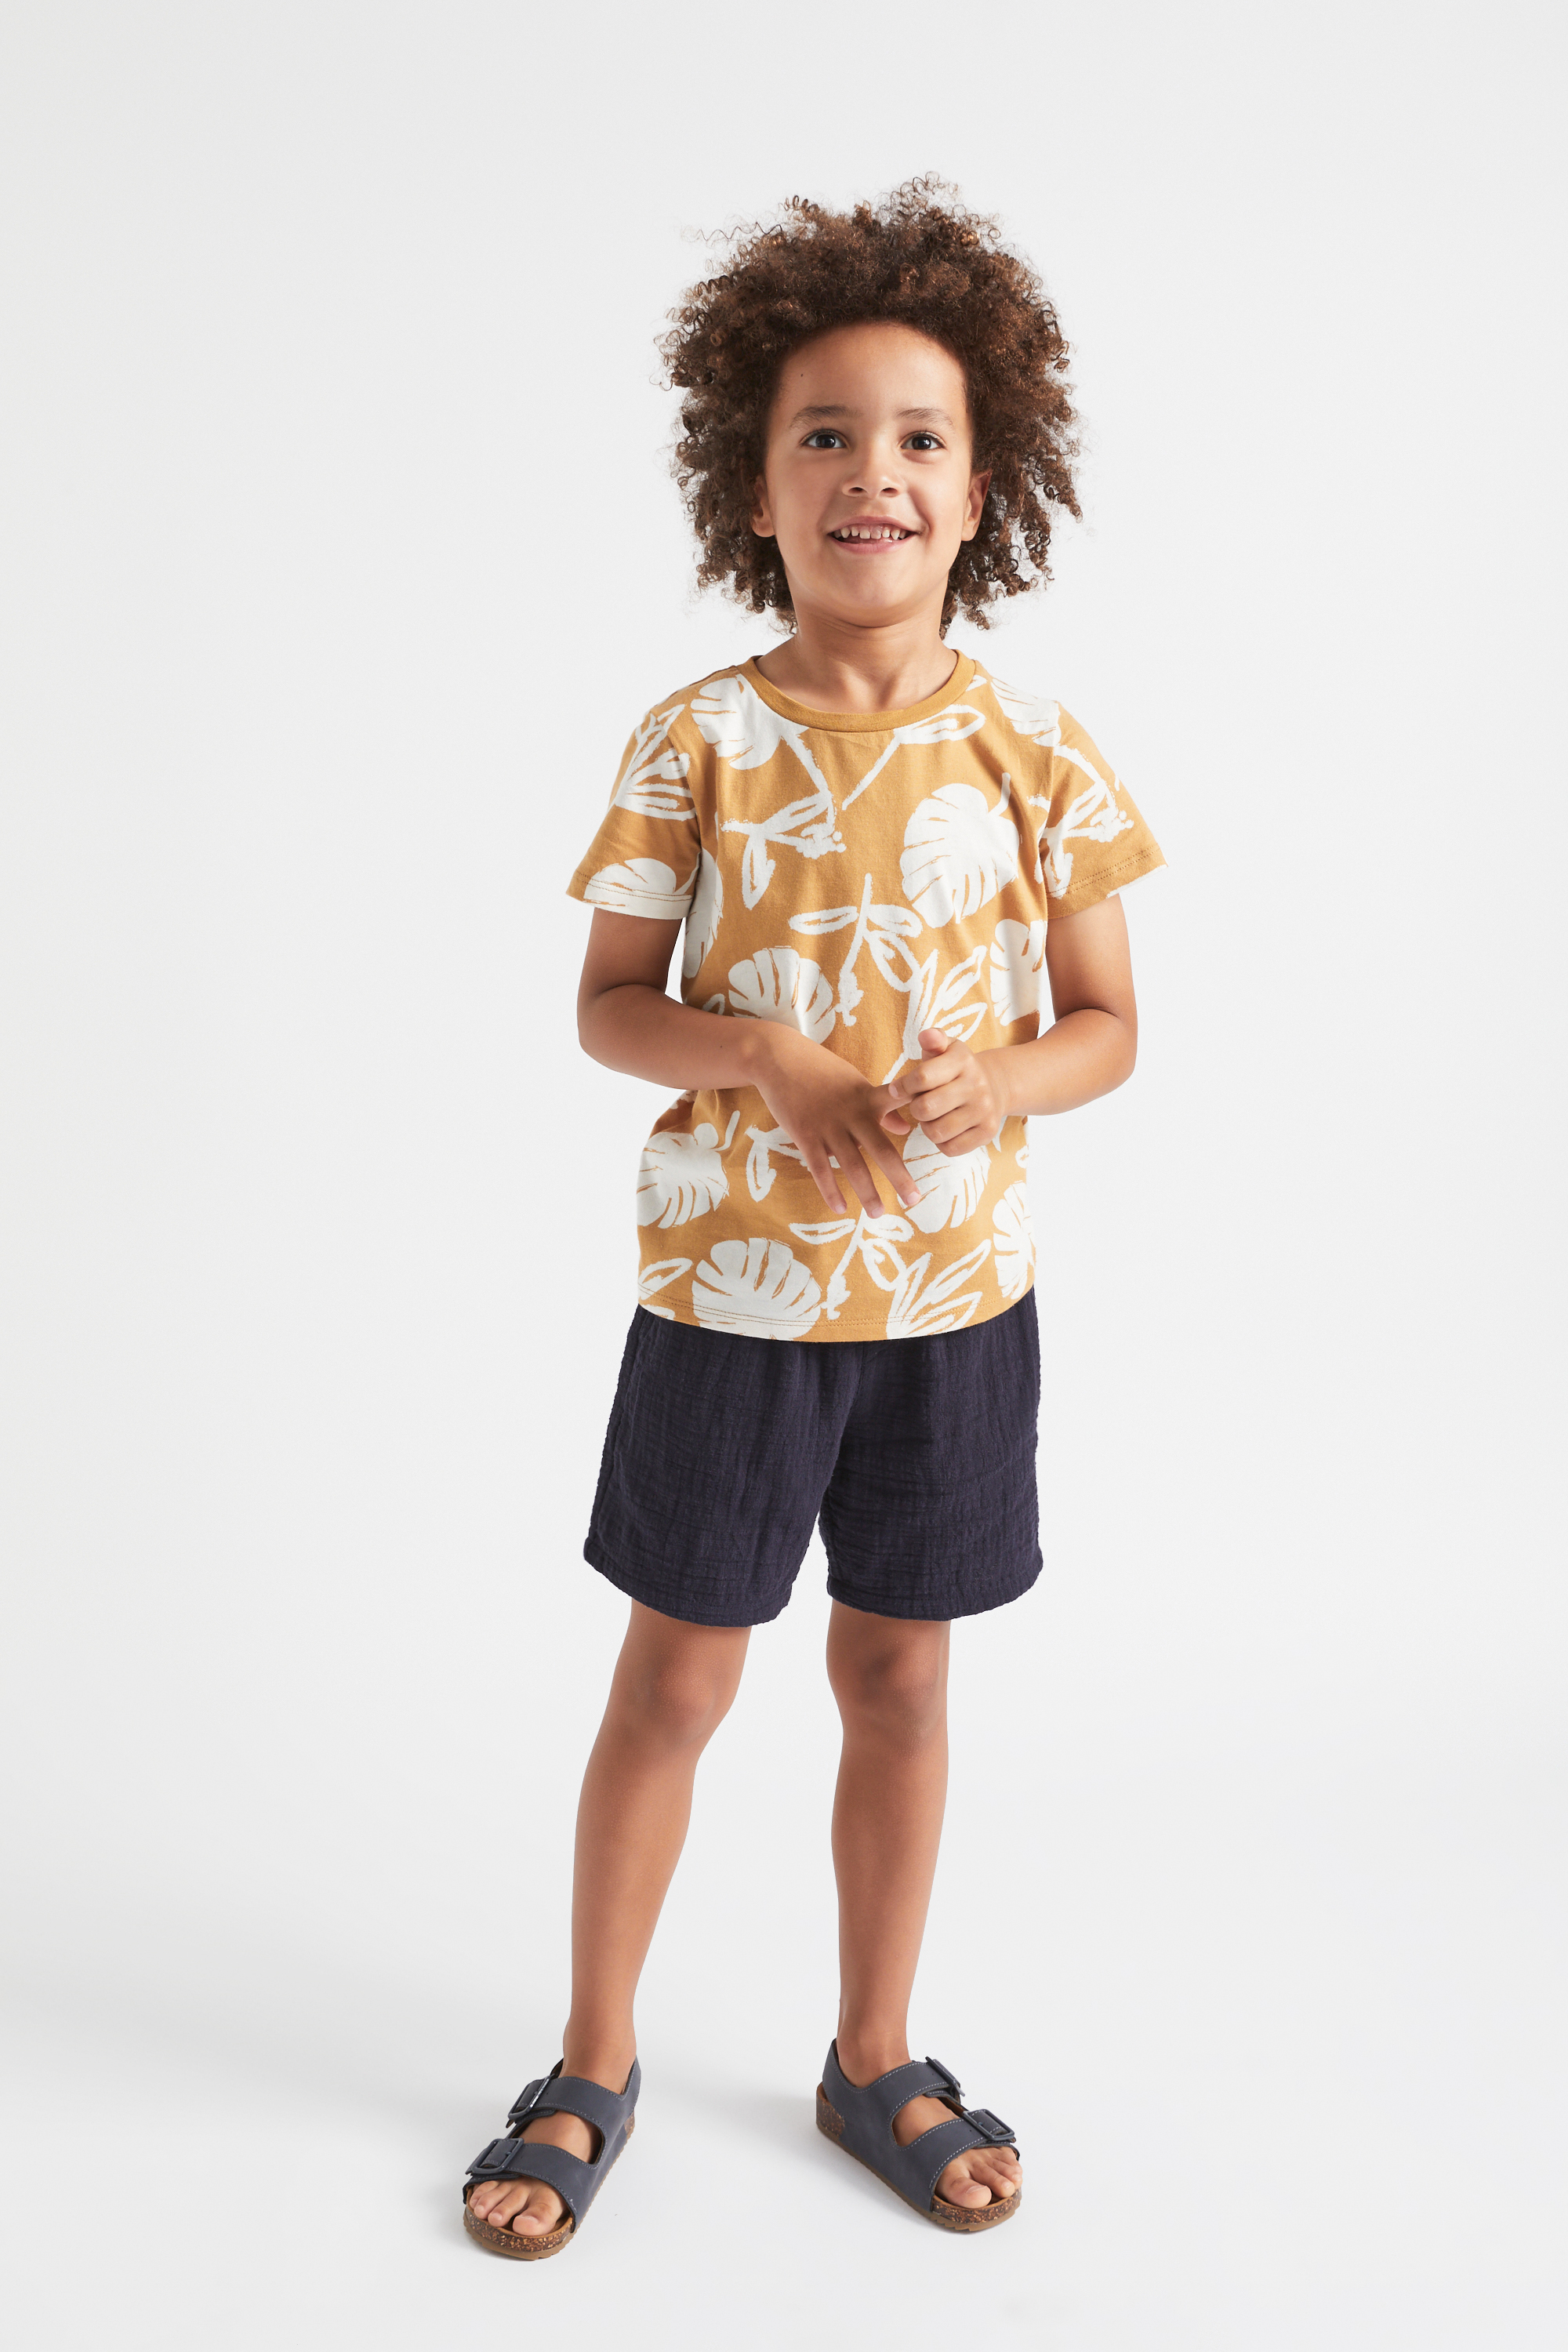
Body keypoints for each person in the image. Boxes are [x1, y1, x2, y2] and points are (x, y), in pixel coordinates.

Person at [463, 180, 1164, 2258]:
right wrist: (763, 1055)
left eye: (921, 437)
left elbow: (1111, 1027)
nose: (877, 470)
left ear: (982, 493)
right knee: (677, 1684)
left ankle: (874, 2054)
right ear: (753, 489)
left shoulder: (1035, 745)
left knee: (902, 1682)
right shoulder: (695, 741)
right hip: (731, 1304)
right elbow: (607, 1006)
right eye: (826, 435)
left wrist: (1002, 1081)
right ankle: (592, 2059)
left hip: (951, 1308)